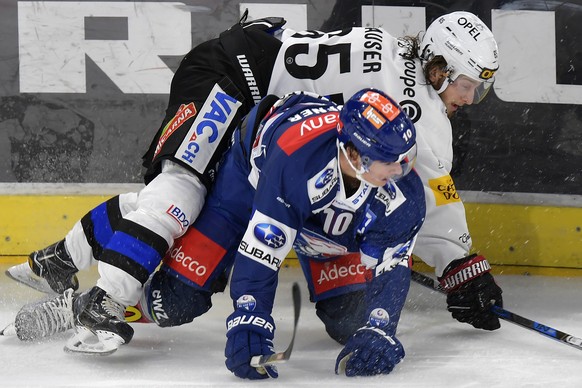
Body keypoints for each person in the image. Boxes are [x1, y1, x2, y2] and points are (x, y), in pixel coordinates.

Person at [7, 11, 503, 350]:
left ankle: (61, 258)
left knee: (177, 211)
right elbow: (435, 190)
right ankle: (90, 295)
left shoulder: (395, 48)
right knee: (177, 195)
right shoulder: (419, 113)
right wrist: (460, 262)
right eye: (467, 84)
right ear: (437, 67)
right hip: (231, 84)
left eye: (481, 89)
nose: (471, 97)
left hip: (255, 101)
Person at [217, 88, 424, 378]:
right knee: (180, 297)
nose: (400, 170)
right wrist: (249, 316)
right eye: (387, 160)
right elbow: (264, 246)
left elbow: (391, 263)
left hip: (323, 228)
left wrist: (381, 327)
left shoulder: (404, 191)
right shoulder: (295, 160)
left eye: (403, 158)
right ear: (354, 153)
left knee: (349, 322)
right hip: (250, 181)